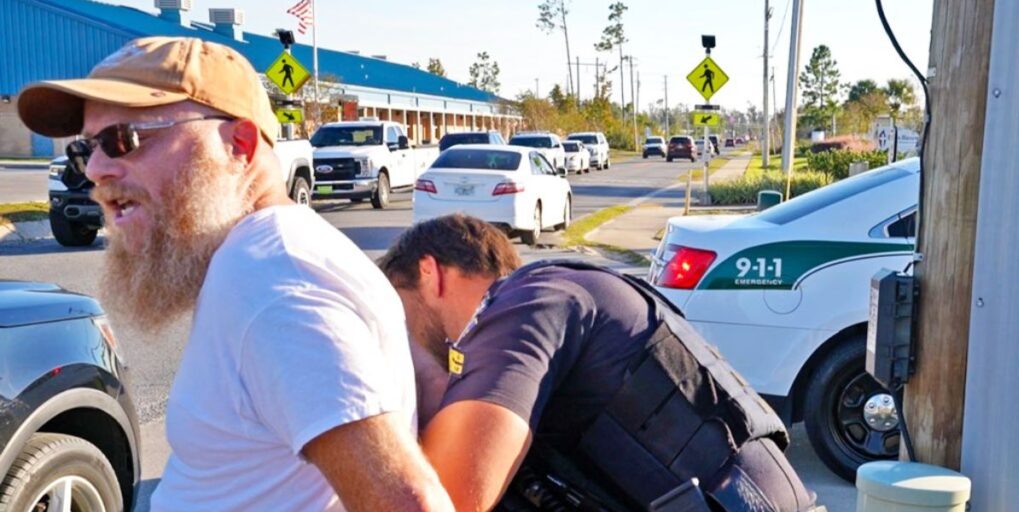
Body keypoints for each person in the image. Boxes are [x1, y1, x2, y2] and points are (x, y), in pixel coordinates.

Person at [17, 37, 453, 511]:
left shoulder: (276, 278)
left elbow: (409, 501)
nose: (96, 169)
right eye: (86, 148)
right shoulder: (266, 257)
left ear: (239, 145)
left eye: (123, 139)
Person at [378, 214, 820, 512]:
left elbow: (448, 499)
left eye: (395, 310)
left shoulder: (531, 302)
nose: (392, 340)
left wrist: (417, 374)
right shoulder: (566, 298)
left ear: (429, 273)